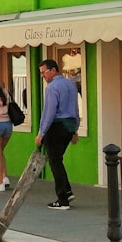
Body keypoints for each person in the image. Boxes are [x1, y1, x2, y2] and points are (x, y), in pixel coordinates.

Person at [35, 58, 80, 210]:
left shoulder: (52, 87)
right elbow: (76, 109)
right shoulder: (70, 84)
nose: (43, 76)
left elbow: (49, 112)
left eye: (44, 73)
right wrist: (75, 129)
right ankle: (67, 191)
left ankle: (62, 199)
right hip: (69, 126)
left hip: (56, 126)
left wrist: (41, 133)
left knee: (54, 162)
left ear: (53, 70)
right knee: (57, 160)